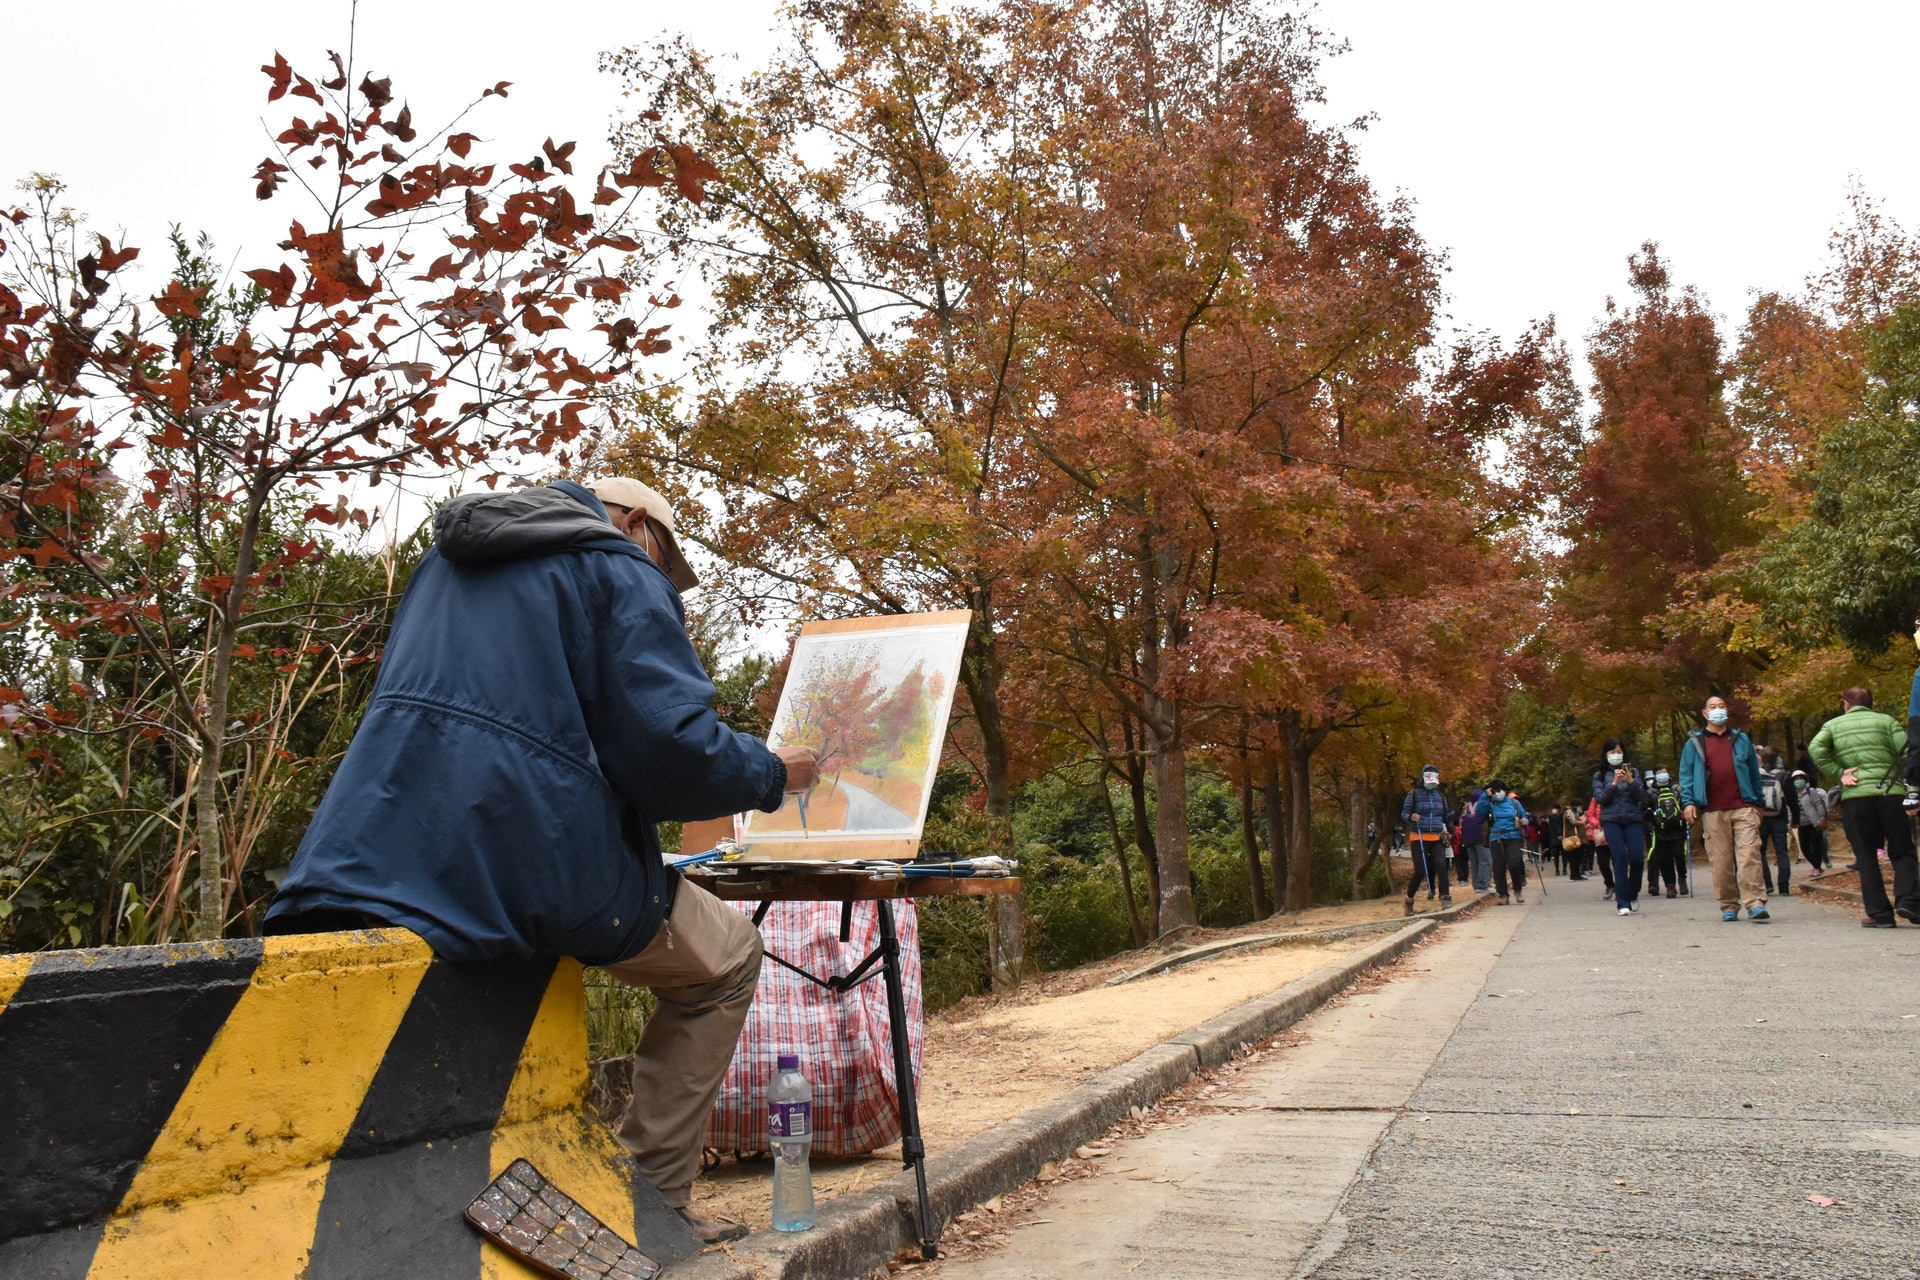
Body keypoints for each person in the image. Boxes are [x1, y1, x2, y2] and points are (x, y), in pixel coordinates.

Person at [265, 477, 819, 1243]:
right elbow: (667, 750)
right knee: (726, 958)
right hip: (520, 859)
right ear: (633, 522)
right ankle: (651, 1202)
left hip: (370, 847)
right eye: (663, 554)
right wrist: (769, 773)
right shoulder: (617, 565)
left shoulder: (443, 566)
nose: (661, 573)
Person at [1808, 686, 1918, 928]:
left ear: (1845, 703)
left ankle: (1880, 915)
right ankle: (1908, 900)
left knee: (1866, 856)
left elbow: (1816, 749)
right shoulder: (1887, 721)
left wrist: (1839, 773)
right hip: (1891, 794)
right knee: (1903, 850)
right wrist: (1908, 783)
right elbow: (1908, 752)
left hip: (1856, 798)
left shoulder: (1833, 725)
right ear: (1873, 703)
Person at [1678, 694, 1769, 923]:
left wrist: (1759, 802)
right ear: (1705, 713)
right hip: (1712, 809)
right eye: (1712, 706)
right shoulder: (1695, 743)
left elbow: (1752, 773)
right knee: (1721, 861)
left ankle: (1755, 903)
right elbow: (1686, 775)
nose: (1718, 710)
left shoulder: (1741, 739)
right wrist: (1688, 802)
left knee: (1749, 855)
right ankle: (1728, 904)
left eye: (1721, 706)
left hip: (1743, 805)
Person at [1593, 738, 1648, 915]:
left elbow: (1641, 796)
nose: (1616, 755)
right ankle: (1622, 903)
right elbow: (1601, 799)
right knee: (1620, 859)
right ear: (1606, 755)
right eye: (1612, 752)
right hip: (1611, 820)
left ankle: (1633, 893)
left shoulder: (1634, 772)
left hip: (1632, 818)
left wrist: (1630, 781)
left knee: (1637, 859)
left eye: (1619, 752)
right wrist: (1614, 783)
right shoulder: (1599, 776)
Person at [1401, 764, 1456, 916]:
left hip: (1437, 837)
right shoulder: (1414, 795)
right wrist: (1411, 817)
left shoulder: (1440, 797)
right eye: (1429, 775)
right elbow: (1404, 814)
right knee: (1420, 871)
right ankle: (1409, 899)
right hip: (1418, 837)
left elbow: (1445, 816)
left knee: (1441, 865)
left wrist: (1457, 813)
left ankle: (1445, 897)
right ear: (1423, 777)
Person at [1754, 745, 1802, 896]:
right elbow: (1793, 800)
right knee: (1782, 853)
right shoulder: (1784, 775)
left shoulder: (1755, 774)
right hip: (1779, 817)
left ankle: (1767, 884)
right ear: (1777, 759)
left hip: (1760, 817)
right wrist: (1795, 819)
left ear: (1760, 758)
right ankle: (1784, 887)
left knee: (1760, 852)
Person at [1478, 780, 1531, 905]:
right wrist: (1485, 795)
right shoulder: (1489, 804)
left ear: (1505, 790)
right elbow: (1479, 811)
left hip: (1513, 836)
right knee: (1498, 867)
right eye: (1494, 790)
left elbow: (1524, 817)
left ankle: (1518, 889)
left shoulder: (1514, 803)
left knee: (1514, 863)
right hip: (1496, 837)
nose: (1498, 793)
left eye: (1499, 790)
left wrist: (1525, 821)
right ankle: (1502, 894)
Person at [1643, 765, 1691, 898]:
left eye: (1664, 772)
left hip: (1677, 829)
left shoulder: (1677, 789)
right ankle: (1670, 885)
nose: (1662, 775)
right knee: (1664, 859)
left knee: (1679, 855)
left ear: (1669, 774)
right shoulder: (1650, 792)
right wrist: (1651, 817)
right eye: (1658, 773)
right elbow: (1645, 811)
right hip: (1659, 832)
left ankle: (1682, 878)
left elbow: (1684, 805)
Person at [1791, 769, 1831, 875]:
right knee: (1804, 848)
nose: (1799, 781)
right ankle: (1816, 865)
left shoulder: (1811, 791)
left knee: (1815, 846)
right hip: (1801, 824)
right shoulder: (1793, 794)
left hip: (1814, 823)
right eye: (1796, 779)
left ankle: (1817, 868)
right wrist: (1791, 822)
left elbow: (1818, 804)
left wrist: (1822, 819)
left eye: (1801, 778)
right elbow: (1791, 809)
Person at [1458, 786, 1491, 894]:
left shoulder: (1466, 809)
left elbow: (1461, 823)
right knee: (1485, 861)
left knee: (1474, 862)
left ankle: (1476, 885)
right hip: (1480, 836)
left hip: (1467, 839)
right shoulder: (1482, 806)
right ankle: (1483, 885)